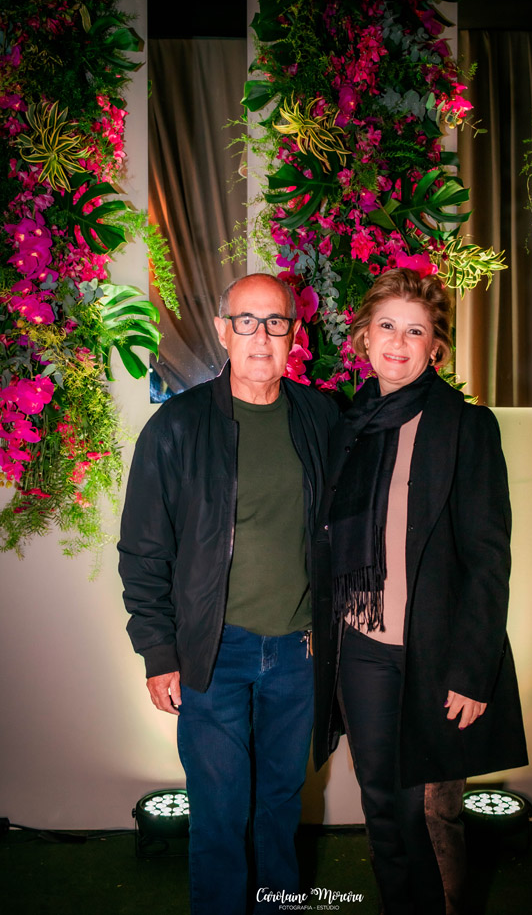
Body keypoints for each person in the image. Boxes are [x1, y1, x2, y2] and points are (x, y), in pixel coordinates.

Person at [118, 273, 339, 915]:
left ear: (294, 334)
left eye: (276, 322)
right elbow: (143, 550)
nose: (261, 336)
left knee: (279, 808)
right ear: (222, 331)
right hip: (213, 654)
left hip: (297, 655)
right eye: (246, 321)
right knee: (218, 814)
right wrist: (159, 651)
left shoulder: (321, 418)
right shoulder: (177, 427)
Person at [311, 268, 528, 915]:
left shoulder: (466, 427)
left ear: (435, 346)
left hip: (434, 655)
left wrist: (472, 671)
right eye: (387, 326)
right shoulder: (346, 426)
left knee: (428, 815)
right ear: (364, 336)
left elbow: (488, 560)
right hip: (361, 649)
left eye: (415, 331)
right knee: (382, 807)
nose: (398, 343)